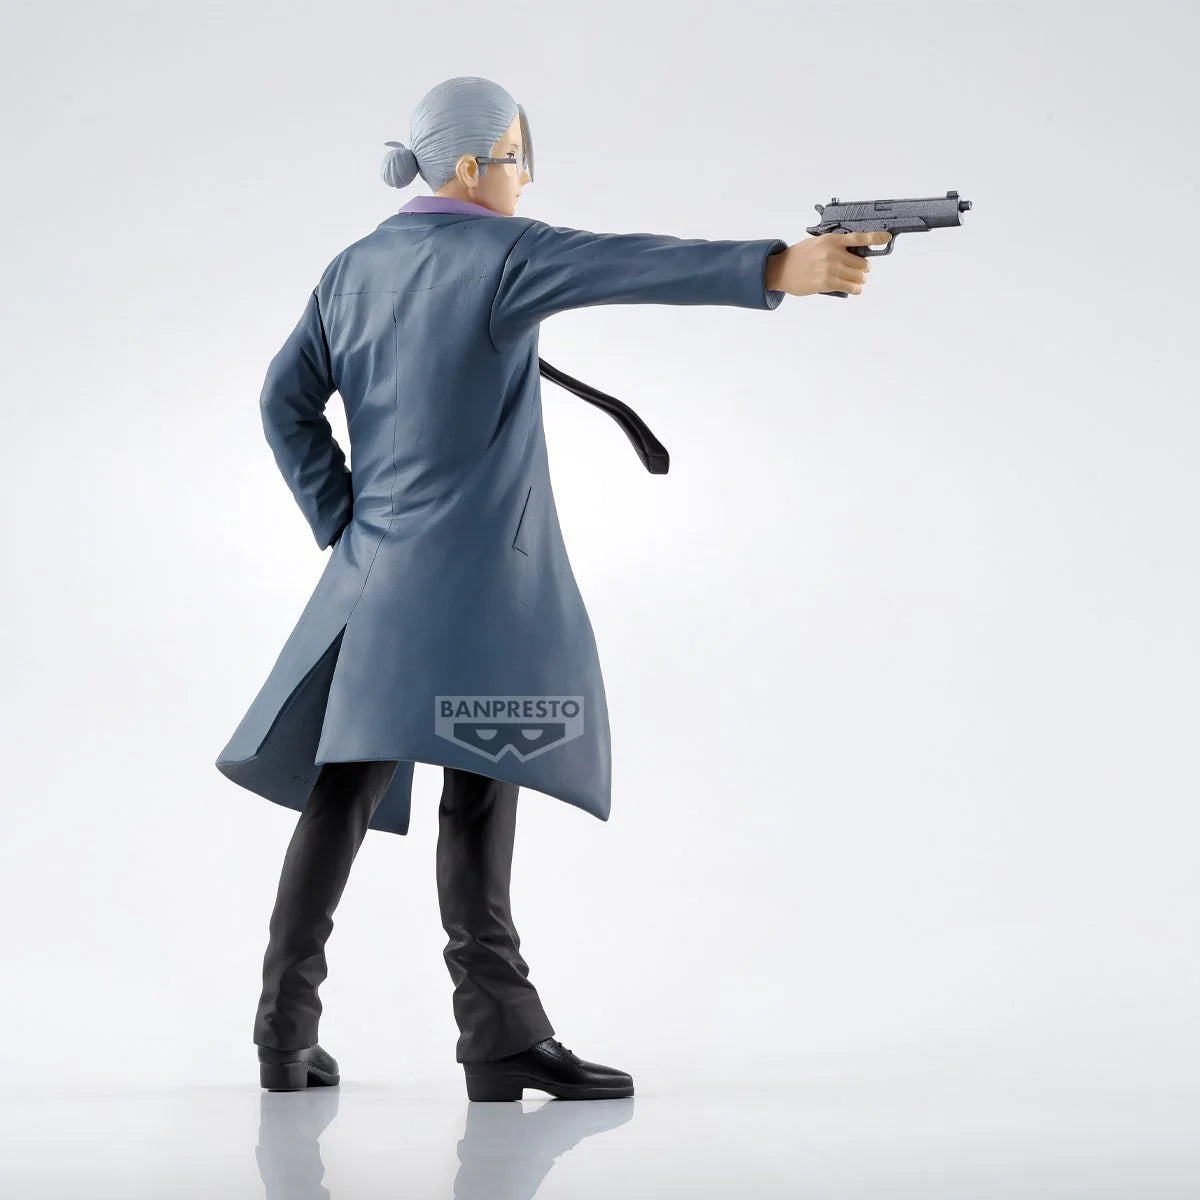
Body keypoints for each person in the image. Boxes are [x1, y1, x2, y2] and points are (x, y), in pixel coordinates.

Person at [216, 75, 890, 1100]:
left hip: (372, 582)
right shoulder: (503, 255)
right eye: (518, 159)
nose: (526, 180)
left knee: (340, 791)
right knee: (479, 795)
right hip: (477, 589)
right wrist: (777, 267)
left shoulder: (353, 268)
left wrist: (344, 521)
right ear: (473, 165)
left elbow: (283, 403)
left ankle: (282, 1031)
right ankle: (498, 1034)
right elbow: (628, 262)